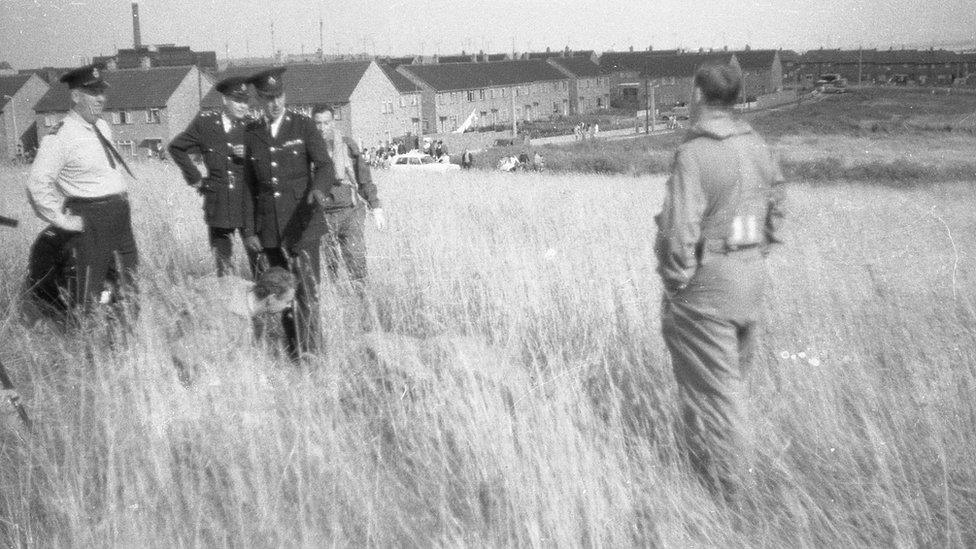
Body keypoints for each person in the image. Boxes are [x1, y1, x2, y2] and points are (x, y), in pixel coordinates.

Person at [654, 63, 785, 499]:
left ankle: (738, 494)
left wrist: (676, 282)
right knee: (718, 385)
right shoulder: (757, 145)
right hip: (751, 278)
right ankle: (702, 477)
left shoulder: (695, 153)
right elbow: (776, 205)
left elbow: (677, 231)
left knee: (720, 395)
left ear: (696, 95)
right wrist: (755, 252)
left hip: (709, 287)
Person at [241, 67, 338, 361]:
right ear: (259, 99)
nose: (275, 103)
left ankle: (312, 356)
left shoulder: (303, 126)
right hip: (270, 232)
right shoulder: (252, 134)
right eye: (268, 98)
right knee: (280, 298)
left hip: (303, 225)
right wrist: (248, 231)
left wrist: (319, 191)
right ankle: (294, 354)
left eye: (279, 96)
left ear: (285, 95)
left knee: (307, 295)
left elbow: (324, 166)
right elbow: (247, 186)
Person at [26, 63, 139, 312]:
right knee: (89, 291)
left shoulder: (102, 127)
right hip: (91, 217)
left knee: (128, 283)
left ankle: (126, 344)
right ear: (76, 96)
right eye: (92, 93)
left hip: (119, 217)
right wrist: (62, 220)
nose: (100, 99)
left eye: (101, 92)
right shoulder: (61, 136)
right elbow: (37, 184)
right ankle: (89, 348)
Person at [168, 75, 258, 276]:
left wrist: (250, 154)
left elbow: (268, 160)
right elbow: (176, 148)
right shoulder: (205, 124)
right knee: (223, 265)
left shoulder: (254, 127)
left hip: (248, 205)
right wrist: (196, 178)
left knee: (258, 262)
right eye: (238, 101)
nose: (243, 106)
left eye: (246, 101)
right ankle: (227, 302)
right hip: (218, 203)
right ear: (225, 100)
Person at [169, 266, 297, 383]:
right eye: (287, 301)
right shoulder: (231, 323)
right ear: (271, 299)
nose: (289, 306)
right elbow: (184, 356)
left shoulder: (236, 283)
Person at [311, 104, 385, 305]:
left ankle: (364, 307)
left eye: (326, 123)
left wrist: (375, 206)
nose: (322, 128)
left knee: (356, 261)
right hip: (323, 216)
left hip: (350, 213)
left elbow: (364, 178)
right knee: (330, 265)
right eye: (317, 123)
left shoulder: (347, 145)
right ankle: (339, 306)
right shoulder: (307, 149)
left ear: (333, 122)